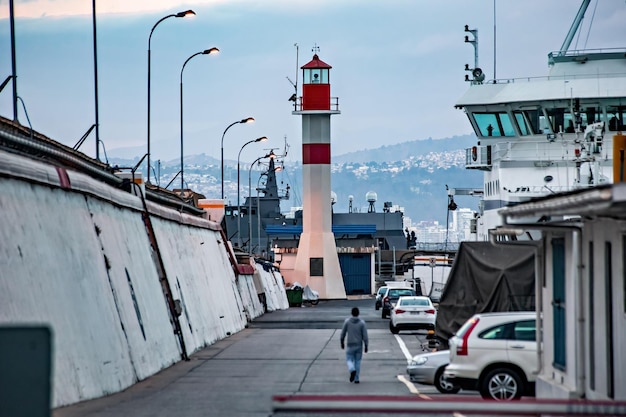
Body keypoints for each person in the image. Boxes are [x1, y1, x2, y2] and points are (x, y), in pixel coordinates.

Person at [340, 307, 369, 383]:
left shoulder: (347, 322)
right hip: (359, 345)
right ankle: (356, 378)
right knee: (358, 361)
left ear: (351, 313)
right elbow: (365, 336)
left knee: (349, 359)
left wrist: (342, 342)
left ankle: (352, 369)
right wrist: (366, 345)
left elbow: (343, 333)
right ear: (358, 313)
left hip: (350, 344)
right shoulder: (362, 323)